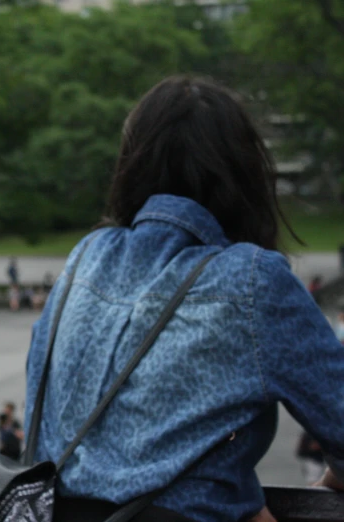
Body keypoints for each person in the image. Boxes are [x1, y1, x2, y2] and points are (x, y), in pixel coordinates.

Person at [25, 76, 344, 522]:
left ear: (131, 164)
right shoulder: (253, 281)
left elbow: (43, 425)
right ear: (245, 173)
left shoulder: (85, 257)